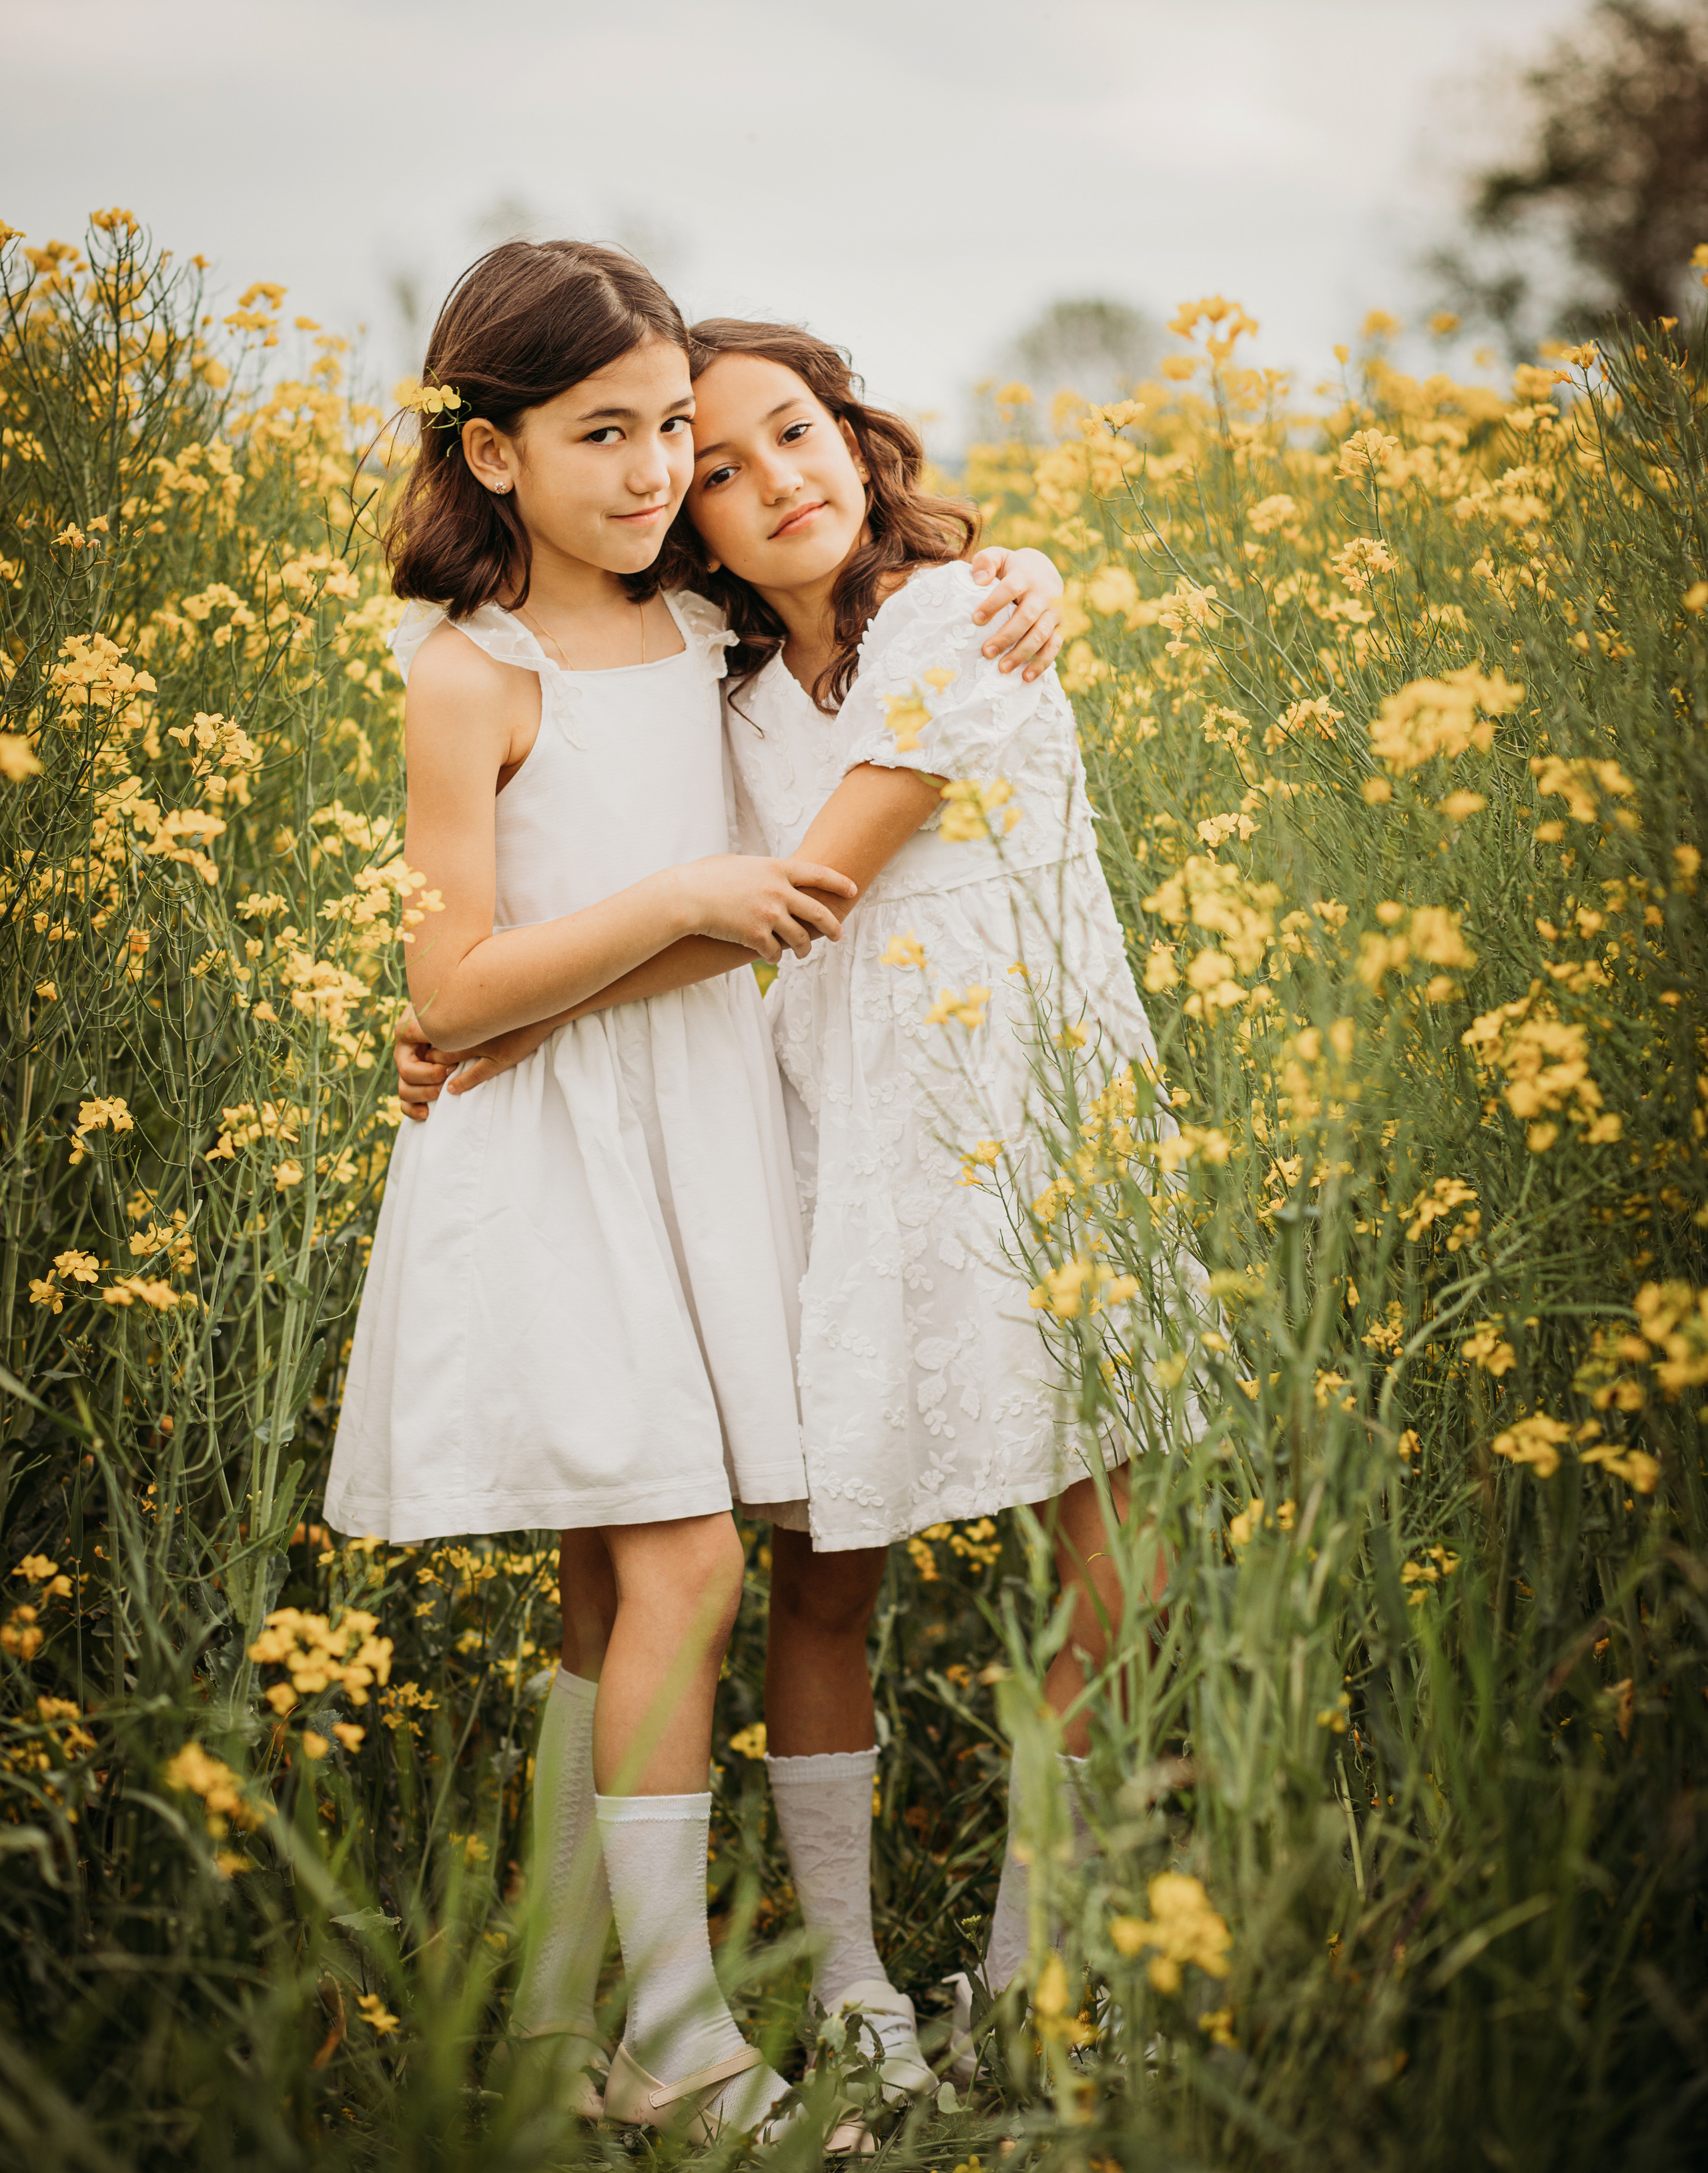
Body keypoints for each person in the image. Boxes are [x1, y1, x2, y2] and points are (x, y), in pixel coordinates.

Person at [397, 316, 1180, 2083]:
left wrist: (486, 1020)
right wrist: (481, 1011)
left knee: (1105, 1559)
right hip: (839, 1155)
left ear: (860, 433)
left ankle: (1032, 1958)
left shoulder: (961, 620)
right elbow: (683, 894)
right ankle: (850, 1975)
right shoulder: (729, 685)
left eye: (798, 433)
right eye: (722, 469)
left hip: (1051, 1132)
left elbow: (806, 888)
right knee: (827, 1582)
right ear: (697, 529)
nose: (775, 483)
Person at [324, 238, 875, 2148]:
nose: (654, 474)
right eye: (600, 435)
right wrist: (675, 904)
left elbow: (885, 598)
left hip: (697, 1131)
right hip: (558, 1157)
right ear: (488, 453)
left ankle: (552, 2023)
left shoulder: (714, 630)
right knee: (687, 1566)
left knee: (608, 1598)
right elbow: (453, 989)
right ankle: (682, 2040)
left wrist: (1024, 578)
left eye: (668, 432)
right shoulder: (476, 673)